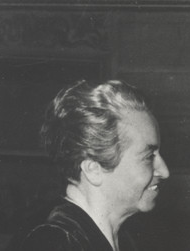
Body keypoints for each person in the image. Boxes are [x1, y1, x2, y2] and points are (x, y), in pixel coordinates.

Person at [19, 80, 170, 251]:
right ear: (93, 170)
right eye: (148, 157)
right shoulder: (54, 242)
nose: (165, 171)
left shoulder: (123, 240)